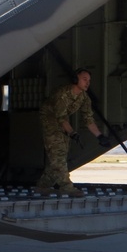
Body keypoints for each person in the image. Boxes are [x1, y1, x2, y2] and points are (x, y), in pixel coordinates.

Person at [36, 69, 110, 197]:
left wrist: (100, 136)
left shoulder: (84, 98)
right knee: (57, 153)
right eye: (84, 79)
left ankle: (43, 185)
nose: (87, 83)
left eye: (89, 80)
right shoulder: (62, 94)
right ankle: (66, 187)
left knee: (61, 155)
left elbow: (88, 119)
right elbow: (61, 118)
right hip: (50, 120)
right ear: (76, 79)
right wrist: (72, 132)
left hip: (63, 122)